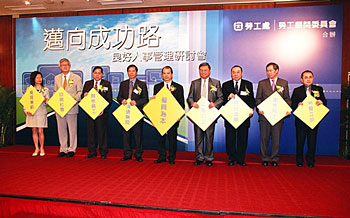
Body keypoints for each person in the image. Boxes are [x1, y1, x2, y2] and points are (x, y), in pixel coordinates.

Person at [187, 62, 223, 167]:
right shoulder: (194, 83)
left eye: (205, 70)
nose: (203, 72)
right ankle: (199, 157)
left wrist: (215, 104)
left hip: (210, 114)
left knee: (209, 137)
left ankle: (209, 158)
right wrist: (192, 103)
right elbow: (189, 97)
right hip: (198, 114)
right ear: (199, 71)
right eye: (201, 70)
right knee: (198, 137)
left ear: (209, 71)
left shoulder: (216, 83)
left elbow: (221, 97)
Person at [256, 62, 291, 167]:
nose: (269, 72)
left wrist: (287, 109)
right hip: (264, 116)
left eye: (271, 70)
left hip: (278, 115)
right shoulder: (262, 83)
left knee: (276, 138)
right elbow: (258, 98)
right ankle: (265, 158)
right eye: (267, 70)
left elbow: (287, 99)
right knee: (264, 138)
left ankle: (275, 158)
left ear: (277, 71)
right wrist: (259, 108)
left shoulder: (283, 83)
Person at [291, 70, 327, 168]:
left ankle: (310, 160)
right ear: (301, 79)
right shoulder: (297, 90)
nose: (308, 79)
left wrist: (321, 102)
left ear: (313, 78)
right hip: (301, 121)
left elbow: (324, 102)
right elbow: (292, 105)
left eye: (310, 77)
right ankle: (299, 160)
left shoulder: (318, 89)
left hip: (313, 120)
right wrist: (298, 105)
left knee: (312, 142)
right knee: (300, 141)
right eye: (305, 77)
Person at [222, 65, 255, 166]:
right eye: (233, 72)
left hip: (244, 117)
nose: (235, 74)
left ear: (242, 73)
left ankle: (241, 159)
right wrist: (228, 97)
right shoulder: (226, 85)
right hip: (230, 116)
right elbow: (222, 100)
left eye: (238, 72)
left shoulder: (248, 84)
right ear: (231, 73)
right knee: (230, 138)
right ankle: (231, 158)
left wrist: (252, 108)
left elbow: (252, 99)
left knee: (242, 138)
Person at [153, 66, 185, 164]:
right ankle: (162, 156)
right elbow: (156, 105)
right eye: (164, 73)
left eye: (168, 73)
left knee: (172, 138)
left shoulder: (178, 87)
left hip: (173, 117)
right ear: (162, 75)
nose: (166, 75)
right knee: (160, 138)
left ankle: (172, 157)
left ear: (171, 74)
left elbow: (181, 104)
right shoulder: (157, 87)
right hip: (161, 117)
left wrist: (179, 116)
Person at [117, 64, 149, 162]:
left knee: (138, 135)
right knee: (126, 134)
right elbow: (119, 97)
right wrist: (122, 100)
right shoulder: (123, 84)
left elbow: (145, 99)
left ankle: (138, 154)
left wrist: (136, 102)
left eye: (133, 71)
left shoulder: (142, 84)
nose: (131, 73)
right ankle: (127, 154)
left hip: (137, 113)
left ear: (136, 72)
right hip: (126, 113)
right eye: (129, 71)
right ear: (127, 72)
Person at [82, 66, 112, 159]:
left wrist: (103, 109)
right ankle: (92, 151)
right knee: (91, 132)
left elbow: (109, 99)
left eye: (99, 73)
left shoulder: (106, 84)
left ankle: (103, 152)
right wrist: (84, 95)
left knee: (102, 132)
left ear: (102, 74)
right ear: (93, 74)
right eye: (95, 73)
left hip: (102, 113)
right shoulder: (87, 84)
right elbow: (82, 98)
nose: (97, 75)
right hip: (90, 113)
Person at [54, 58, 82, 158]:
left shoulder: (76, 78)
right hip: (60, 108)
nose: (65, 66)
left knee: (72, 129)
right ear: (60, 67)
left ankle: (72, 149)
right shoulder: (56, 78)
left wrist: (75, 99)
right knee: (61, 129)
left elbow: (80, 92)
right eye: (62, 65)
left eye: (66, 65)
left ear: (69, 66)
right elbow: (55, 91)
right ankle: (63, 149)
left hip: (72, 107)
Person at [24, 71, 50, 157]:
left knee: (40, 131)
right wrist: (27, 111)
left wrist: (45, 100)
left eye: (40, 77)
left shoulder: (45, 89)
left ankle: (42, 148)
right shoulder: (30, 89)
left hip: (41, 112)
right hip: (32, 113)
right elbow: (26, 102)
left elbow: (48, 103)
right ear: (33, 79)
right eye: (37, 77)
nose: (39, 79)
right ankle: (36, 148)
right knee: (34, 130)